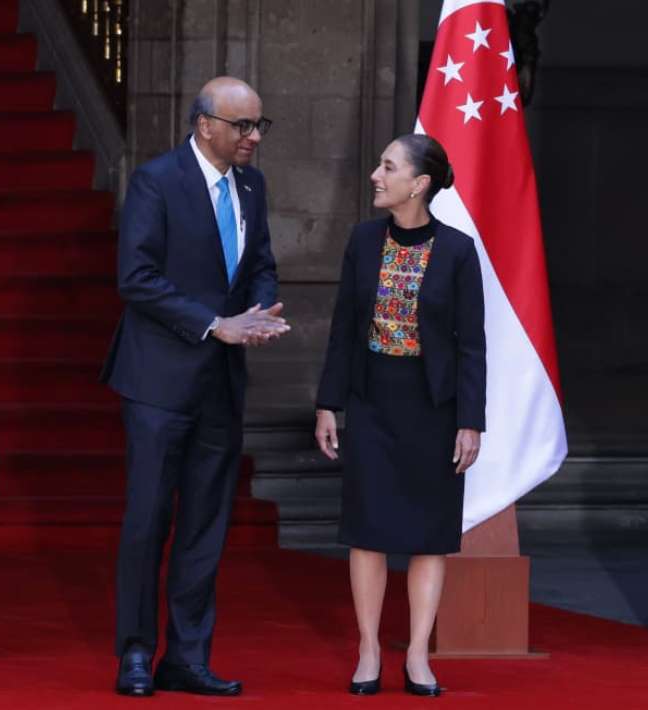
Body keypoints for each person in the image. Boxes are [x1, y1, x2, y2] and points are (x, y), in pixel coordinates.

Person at [100, 76, 289, 697]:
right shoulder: (157, 181)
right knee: (148, 520)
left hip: (221, 386)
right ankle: (134, 653)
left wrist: (258, 312)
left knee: (206, 524)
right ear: (205, 124)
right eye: (243, 126)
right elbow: (136, 277)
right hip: (159, 380)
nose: (254, 137)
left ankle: (186, 656)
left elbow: (260, 261)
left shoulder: (253, 186)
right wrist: (215, 324)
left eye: (260, 126)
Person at [314, 134, 486, 697]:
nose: (375, 175)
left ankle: (416, 655)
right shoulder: (363, 241)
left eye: (388, 167)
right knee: (367, 531)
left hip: (433, 408)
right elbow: (343, 328)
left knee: (428, 536)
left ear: (419, 184)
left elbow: (471, 346)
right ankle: (368, 649)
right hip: (371, 401)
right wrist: (328, 403)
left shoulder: (459, 251)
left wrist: (471, 420)